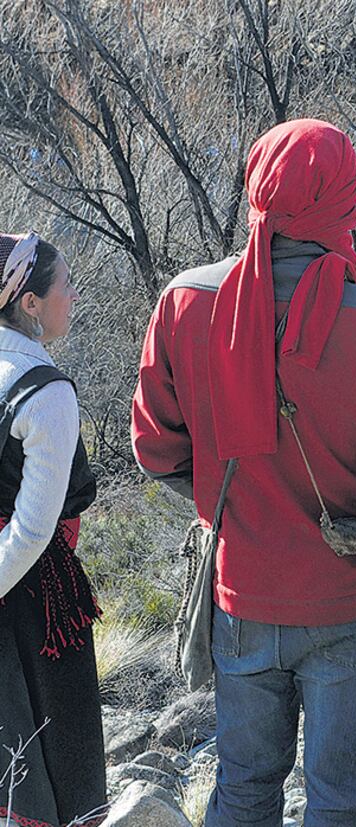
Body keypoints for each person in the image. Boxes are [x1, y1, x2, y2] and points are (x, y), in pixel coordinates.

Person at [131, 119, 356, 826]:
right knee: (342, 803)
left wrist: (230, 507)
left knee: (244, 789)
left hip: (241, 599)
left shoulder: (186, 303)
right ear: (347, 201)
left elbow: (157, 449)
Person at [0, 232, 106, 827]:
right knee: (57, 772)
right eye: (64, 284)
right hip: (36, 604)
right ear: (31, 303)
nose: (73, 295)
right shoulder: (46, 393)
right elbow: (34, 530)